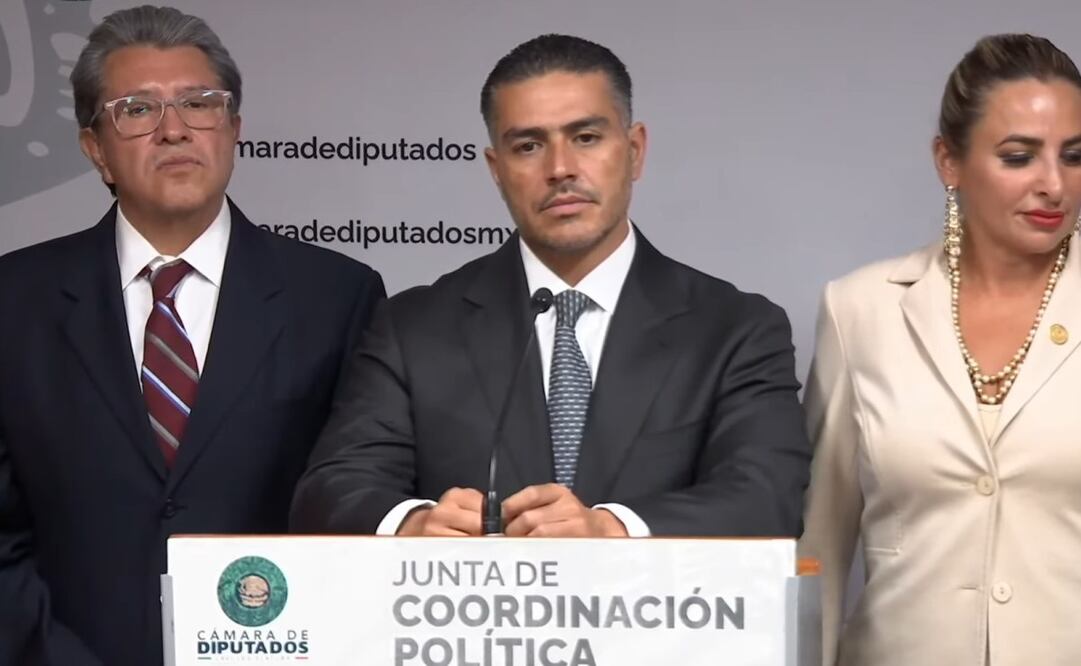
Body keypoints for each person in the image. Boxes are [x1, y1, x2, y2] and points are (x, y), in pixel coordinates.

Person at [290, 34, 809, 540]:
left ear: (634, 151)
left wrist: (610, 528)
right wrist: (413, 522)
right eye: (528, 145)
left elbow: (767, 497)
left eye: (585, 137)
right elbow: (333, 488)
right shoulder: (415, 327)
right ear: (497, 169)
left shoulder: (734, 328)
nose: (560, 169)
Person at [0, 6, 384, 665]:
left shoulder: (338, 296)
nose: (174, 129)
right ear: (96, 148)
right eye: (138, 110)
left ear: (232, 128)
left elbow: (354, 511)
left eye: (198, 104)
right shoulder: (15, 300)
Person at [799, 33, 1081, 666]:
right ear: (949, 162)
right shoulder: (860, 309)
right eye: (1019, 156)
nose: (1054, 184)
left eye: (1075, 155)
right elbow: (818, 544)